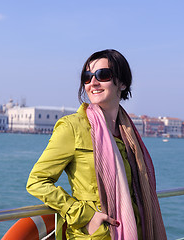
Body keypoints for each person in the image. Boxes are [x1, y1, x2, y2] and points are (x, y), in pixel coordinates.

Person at [26, 49, 167, 240]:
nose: (93, 82)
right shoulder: (72, 127)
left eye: (103, 75)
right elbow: (37, 181)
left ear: (123, 83)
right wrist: (85, 215)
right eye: (87, 77)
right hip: (94, 235)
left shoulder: (129, 134)